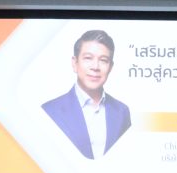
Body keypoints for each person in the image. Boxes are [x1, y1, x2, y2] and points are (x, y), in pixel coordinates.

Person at [41, 29, 132, 159]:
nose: (95, 67)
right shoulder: (50, 111)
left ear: (110, 67)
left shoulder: (122, 111)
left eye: (103, 60)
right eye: (88, 58)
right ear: (75, 63)